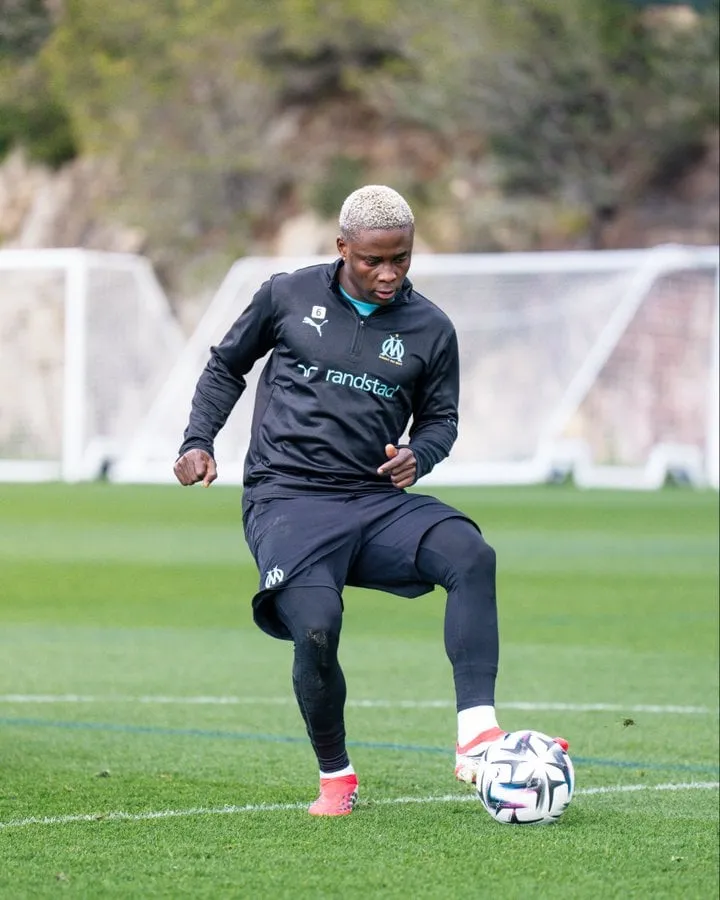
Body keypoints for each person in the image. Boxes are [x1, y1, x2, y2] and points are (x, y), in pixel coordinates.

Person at [174, 184, 566, 816]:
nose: (388, 275)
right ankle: (336, 775)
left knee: (469, 554)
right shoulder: (286, 295)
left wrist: (423, 454)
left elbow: (441, 420)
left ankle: (476, 738)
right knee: (318, 630)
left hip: (375, 498)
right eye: (373, 261)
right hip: (288, 498)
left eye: (402, 260)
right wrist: (198, 440)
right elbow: (226, 367)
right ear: (343, 248)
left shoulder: (431, 328)